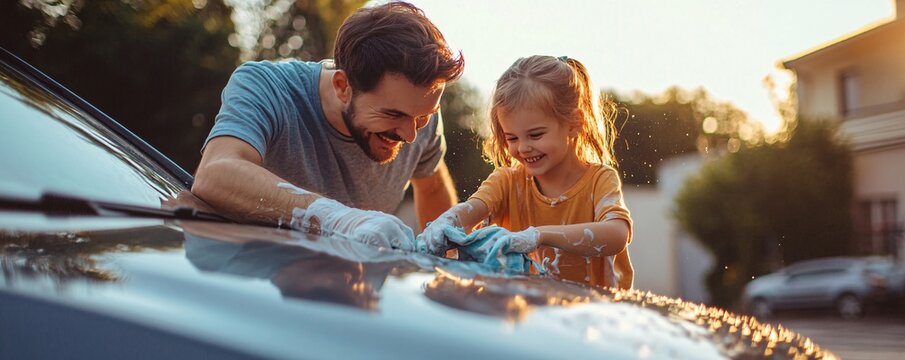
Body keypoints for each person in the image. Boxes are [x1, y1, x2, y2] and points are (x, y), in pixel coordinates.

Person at [192, 2, 464, 249]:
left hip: (357, 294)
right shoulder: (267, 87)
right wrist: (339, 220)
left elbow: (432, 186)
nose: (411, 134)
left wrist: (448, 262)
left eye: (423, 117)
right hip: (251, 286)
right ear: (342, 86)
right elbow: (216, 173)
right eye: (393, 115)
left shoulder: (417, 113)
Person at [417, 55, 634, 289]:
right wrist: (447, 222)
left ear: (574, 123)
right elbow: (473, 209)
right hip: (525, 313)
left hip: (592, 317)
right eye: (512, 138)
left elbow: (617, 234)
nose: (522, 148)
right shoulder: (507, 181)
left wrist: (538, 236)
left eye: (536, 135)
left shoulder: (599, 180)